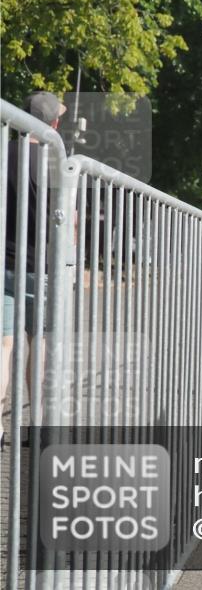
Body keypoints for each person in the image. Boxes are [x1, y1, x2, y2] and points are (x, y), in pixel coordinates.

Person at [3, 92, 66, 444]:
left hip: (2, 263)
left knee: (4, 347)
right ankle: (37, 426)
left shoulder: (2, 152)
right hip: (37, 267)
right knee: (36, 344)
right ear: (52, 124)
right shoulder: (53, 162)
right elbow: (65, 221)